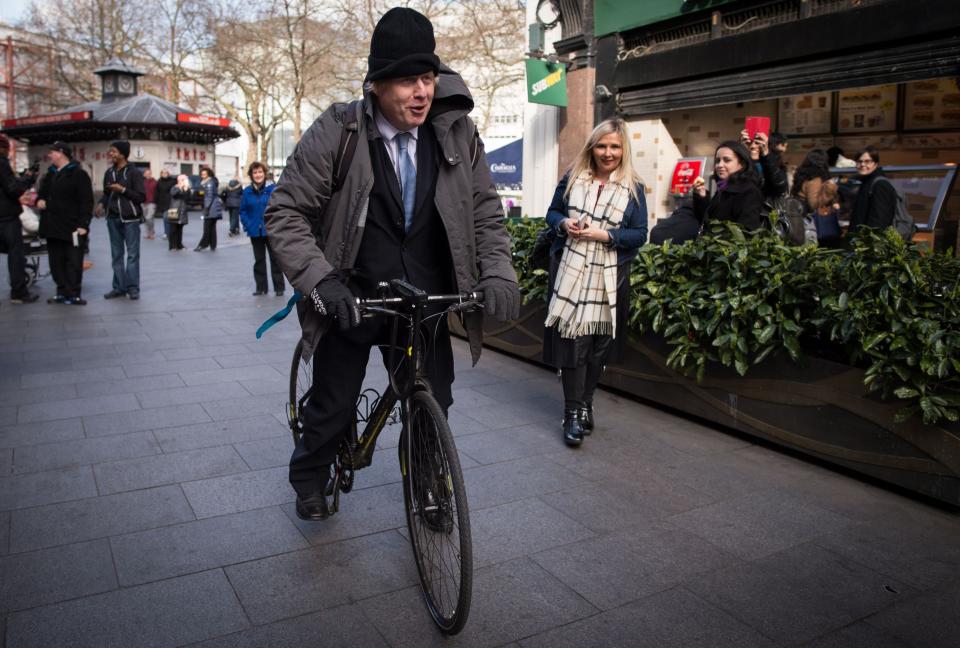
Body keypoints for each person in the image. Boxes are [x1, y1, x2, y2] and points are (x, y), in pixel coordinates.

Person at [264, 6, 519, 521]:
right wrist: (321, 283)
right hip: (352, 296)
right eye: (406, 81)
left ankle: (427, 487)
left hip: (423, 300)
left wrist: (498, 272)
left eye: (426, 77)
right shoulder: (339, 132)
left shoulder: (456, 133)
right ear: (376, 85)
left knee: (433, 405)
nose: (421, 92)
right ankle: (309, 476)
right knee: (333, 405)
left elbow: (485, 213)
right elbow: (285, 212)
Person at [542, 118, 648, 447]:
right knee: (573, 343)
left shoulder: (634, 187)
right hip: (571, 273)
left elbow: (639, 234)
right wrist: (565, 224)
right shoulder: (573, 178)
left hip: (610, 277)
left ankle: (586, 402)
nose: (607, 152)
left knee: (598, 347)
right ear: (592, 146)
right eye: (602, 145)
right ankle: (572, 413)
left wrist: (604, 235)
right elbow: (552, 213)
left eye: (614, 146)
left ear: (623, 149)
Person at [36, 141, 94, 305]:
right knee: (56, 261)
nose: (49, 155)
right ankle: (61, 291)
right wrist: (40, 200)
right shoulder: (50, 174)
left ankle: (73, 293)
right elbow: (42, 194)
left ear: (61, 153)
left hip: (72, 226)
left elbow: (86, 201)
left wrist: (84, 224)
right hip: (52, 225)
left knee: (73, 261)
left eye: (52, 152)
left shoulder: (78, 174)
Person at [96, 140, 145, 300]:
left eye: (114, 152)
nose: (111, 154)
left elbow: (140, 196)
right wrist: (101, 204)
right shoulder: (109, 173)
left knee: (132, 255)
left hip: (130, 219)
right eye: (110, 151)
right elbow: (106, 193)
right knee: (116, 255)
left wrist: (122, 189)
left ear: (123, 154)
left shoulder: (134, 172)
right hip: (112, 218)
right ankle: (118, 287)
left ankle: (132, 288)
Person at [0, 134, 39, 304]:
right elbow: (12, 189)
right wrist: (27, 179)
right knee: (16, 254)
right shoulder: (1, 162)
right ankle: (19, 292)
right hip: (6, 216)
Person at [693, 141, 763, 231]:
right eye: (717, 161)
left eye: (727, 160)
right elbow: (706, 222)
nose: (720, 165)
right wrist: (702, 197)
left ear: (742, 163)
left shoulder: (749, 192)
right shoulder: (723, 188)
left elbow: (746, 231)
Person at [240, 161, 283, 296]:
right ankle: (261, 288)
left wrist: (275, 224)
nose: (258, 175)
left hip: (270, 231)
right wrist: (248, 224)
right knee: (259, 260)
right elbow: (243, 211)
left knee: (275, 260)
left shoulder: (273, 189)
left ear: (264, 174)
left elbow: (278, 208)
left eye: (260, 172)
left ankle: (279, 288)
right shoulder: (247, 191)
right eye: (255, 172)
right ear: (251, 175)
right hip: (255, 231)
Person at [848, 146, 898, 235]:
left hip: (868, 244)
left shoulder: (880, 184)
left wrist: (868, 244)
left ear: (876, 163)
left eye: (867, 161)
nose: (863, 164)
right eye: (859, 161)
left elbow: (879, 220)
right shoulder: (866, 182)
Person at [740, 129, 788, 202]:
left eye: (757, 142)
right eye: (749, 142)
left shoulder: (774, 162)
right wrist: (741, 153)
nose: (752, 146)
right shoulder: (741, 162)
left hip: (766, 211)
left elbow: (780, 187)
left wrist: (766, 154)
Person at [194, 166, 221, 251]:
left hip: (211, 208)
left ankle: (203, 244)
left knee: (207, 227)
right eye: (202, 174)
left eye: (204, 174)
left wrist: (206, 209)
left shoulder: (209, 183)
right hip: (214, 207)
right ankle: (213, 245)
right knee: (212, 227)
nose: (203, 176)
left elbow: (209, 197)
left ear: (208, 174)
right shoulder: (211, 181)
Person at [167, 174, 192, 250]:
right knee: (173, 229)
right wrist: (180, 187)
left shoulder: (186, 188)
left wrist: (186, 189)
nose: (184, 181)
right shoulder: (175, 187)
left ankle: (179, 244)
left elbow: (188, 198)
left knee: (180, 229)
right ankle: (172, 245)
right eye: (183, 180)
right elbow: (173, 194)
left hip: (182, 210)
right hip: (174, 210)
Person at [155, 168, 176, 240]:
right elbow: (157, 192)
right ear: (161, 174)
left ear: (168, 174)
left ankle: (172, 234)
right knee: (165, 218)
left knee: (172, 219)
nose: (164, 174)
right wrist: (156, 202)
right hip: (163, 203)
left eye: (166, 173)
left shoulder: (173, 181)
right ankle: (167, 233)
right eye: (163, 173)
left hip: (172, 202)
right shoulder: (159, 181)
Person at [142, 168, 157, 239]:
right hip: (143, 203)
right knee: (145, 218)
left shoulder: (155, 182)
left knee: (149, 218)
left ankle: (152, 233)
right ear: (144, 174)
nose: (148, 175)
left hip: (152, 202)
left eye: (149, 173)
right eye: (146, 173)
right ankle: (148, 233)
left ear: (151, 174)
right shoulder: (142, 182)